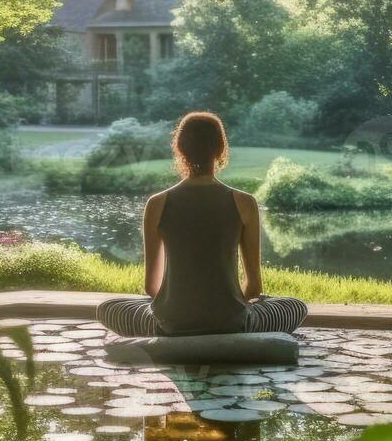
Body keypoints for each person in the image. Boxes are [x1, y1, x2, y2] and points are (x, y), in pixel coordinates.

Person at [97, 112, 308, 337]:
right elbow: (254, 287)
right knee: (295, 306)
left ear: (179, 148)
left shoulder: (157, 203)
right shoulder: (244, 202)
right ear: (220, 150)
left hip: (170, 325)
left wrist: (181, 308)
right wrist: (227, 308)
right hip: (232, 323)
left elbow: (152, 288)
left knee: (107, 309)